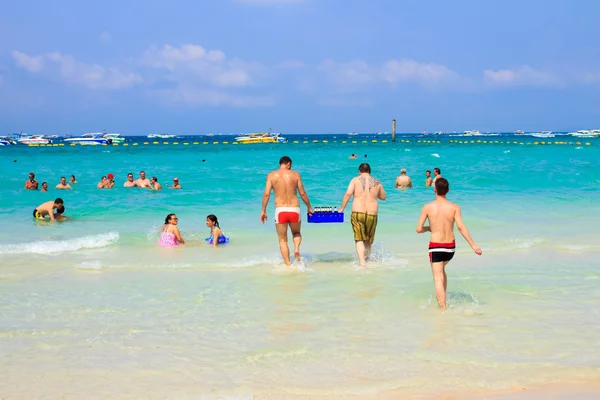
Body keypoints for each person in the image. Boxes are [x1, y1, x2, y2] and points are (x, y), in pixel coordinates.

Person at [416, 178, 482, 310]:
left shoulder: (427, 207)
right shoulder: (454, 207)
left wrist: (429, 228)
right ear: (448, 190)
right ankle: (443, 297)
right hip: (450, 248)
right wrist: (474, 246)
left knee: (438, 277)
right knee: (442, 270)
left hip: (436, 247)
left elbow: (418, 229)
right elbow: (461, 227)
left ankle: (443, 308)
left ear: (434, 190)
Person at [260, 156, 314, 266]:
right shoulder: (296, 175)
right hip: (295, 209)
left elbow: (266, 194)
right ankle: (296, 248)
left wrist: (263, 210)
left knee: (282, 240)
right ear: (288, 164)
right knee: (296, 233)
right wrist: (309, 207)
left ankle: (288, 264)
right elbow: (302, 194)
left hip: (280, 211)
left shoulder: (271, 175)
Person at [339, 163, 386, 268]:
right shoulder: (377, 182)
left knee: (359, 239)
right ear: (370, 171)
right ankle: (367, 260)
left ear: (359, 171)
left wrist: (342, 209)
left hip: (358, 212)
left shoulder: (355, 180)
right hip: (372, 214)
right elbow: (383, 197)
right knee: (368, 240)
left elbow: (348, 194)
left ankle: (362, 263)